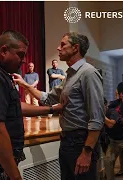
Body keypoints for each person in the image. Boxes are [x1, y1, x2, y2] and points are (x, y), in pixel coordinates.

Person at [0, 30, 62, 180]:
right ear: (4, 51)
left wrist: (51, 109)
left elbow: (14, 107)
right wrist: (15, 176)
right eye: (20, 54)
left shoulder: (1, 74)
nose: (24, 60)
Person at [13, 32, 105, 180]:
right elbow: (48, 98)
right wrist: (24, 84)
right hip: (67, 141)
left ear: (75, 48)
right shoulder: (71, 75)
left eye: (63, 45)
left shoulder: (88, 73)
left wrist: (87, 152)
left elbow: (97, 118)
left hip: (81, 143)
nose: (58, 48)